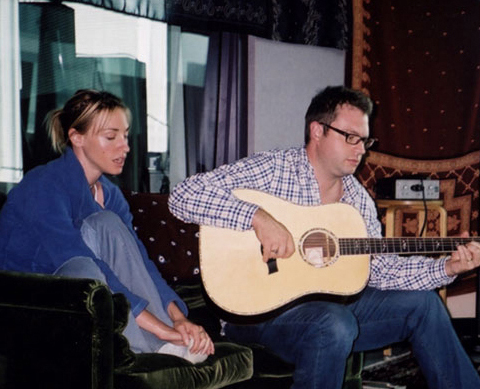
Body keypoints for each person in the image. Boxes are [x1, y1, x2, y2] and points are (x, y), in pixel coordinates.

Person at [168, 86, 480, 388]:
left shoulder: (357, 200)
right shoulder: (276, 169)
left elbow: (382, 270)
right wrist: (258, 218)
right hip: (255, 313)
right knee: (333, 322)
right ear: (318, 131)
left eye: (365, 140)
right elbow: (183, 195)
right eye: (351, 137)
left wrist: (447, 267)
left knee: (424, 305)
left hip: (328, 308)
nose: (361, 150)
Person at [0, 89, 214, 362]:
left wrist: (178, 320)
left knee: (107, 223)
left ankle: (166, 347)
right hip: (28, 302)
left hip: (85, 293)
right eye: (111, 137)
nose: (124, 147)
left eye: (125, 136)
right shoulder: (43, 185)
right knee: (85, 267)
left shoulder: (110, 195)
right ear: (76, 137)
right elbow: (81, 262)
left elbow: (140, 263)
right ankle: (153, 349)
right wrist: (162, 330)